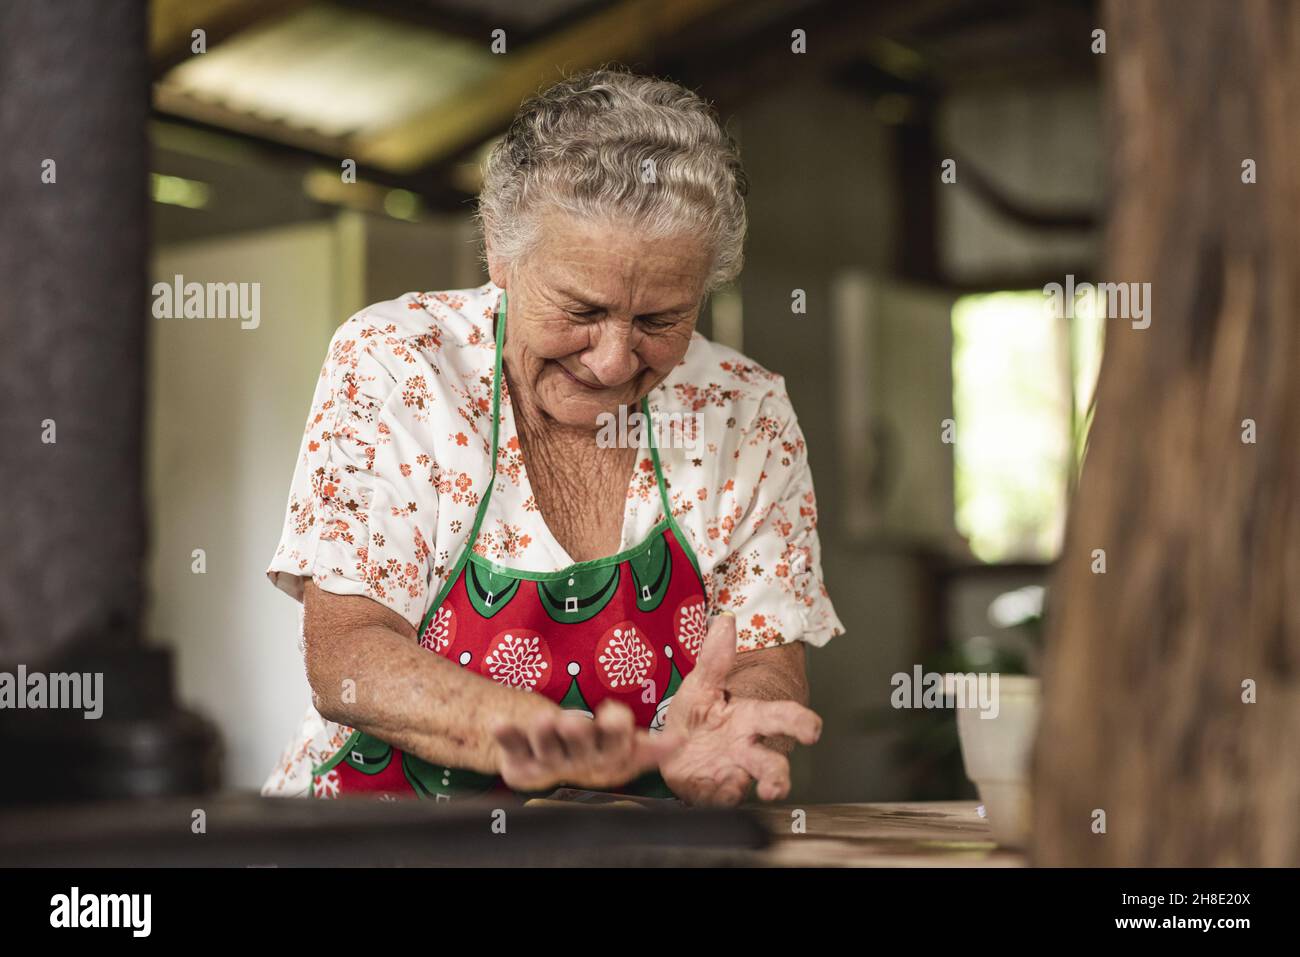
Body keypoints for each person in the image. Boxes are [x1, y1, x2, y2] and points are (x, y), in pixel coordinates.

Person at [263, 68, 844, 806]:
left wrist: (733, 721)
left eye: (660, 319)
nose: (612, 358)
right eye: (582, 309)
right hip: (379, 842)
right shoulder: (399, 361)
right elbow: (347, 652)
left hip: (625, 849)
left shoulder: (742, 410)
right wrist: (540, 736)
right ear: (500, 253)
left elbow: (765, 648)